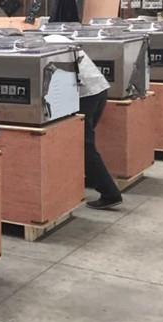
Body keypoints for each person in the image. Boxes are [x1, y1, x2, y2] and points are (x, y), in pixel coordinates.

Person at [43, 34, 123, 210]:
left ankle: (110, 194)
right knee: (84, 144)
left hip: (86, 95)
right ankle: (88, 179)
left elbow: (49, 77)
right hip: (99, 90)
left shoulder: (46, 45)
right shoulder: (57, 39)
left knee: (83, 146)